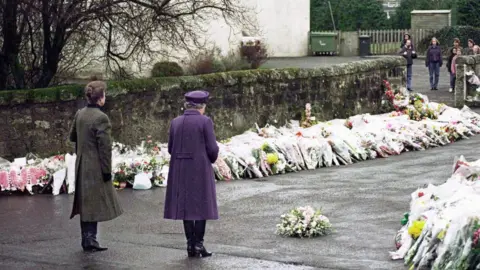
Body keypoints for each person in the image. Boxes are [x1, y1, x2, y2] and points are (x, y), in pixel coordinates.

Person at [164, 90, 219, 258]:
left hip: (180, 168)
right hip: (200, 168)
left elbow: (170, 148)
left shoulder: (175, 122)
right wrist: (211, 158)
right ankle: (198, 244)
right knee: (202, 205)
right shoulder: (205, 122)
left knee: (185, 207)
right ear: (201, 106)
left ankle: (190, 244)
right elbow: (212, 148)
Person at [69, 80, 123, 252]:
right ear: (100, 99)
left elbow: (72, 137)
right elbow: (105, 148)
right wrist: (106, 171)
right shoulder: (101, 118)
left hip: (81, 163)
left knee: (85, 201)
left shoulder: (80, 114)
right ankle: (90, 240)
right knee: (92, 202)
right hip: (95, 165)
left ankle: (87, 239)